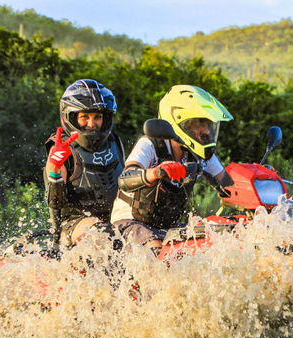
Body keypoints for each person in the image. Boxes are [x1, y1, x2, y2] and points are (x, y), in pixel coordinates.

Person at [110, 85, 234, 255]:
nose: (205, 130)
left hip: (168, 228)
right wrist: (156, 172)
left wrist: (256, 178)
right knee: (157, 252)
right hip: (130, 223)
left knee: (211, 242)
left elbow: (229, 186)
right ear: (178, 122)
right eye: (197, 123)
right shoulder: (151, 144)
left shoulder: (201, 153)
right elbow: (125, 179)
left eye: (208, 124)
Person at [44, 79, 125, 249]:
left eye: (97, 117)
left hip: (114, 220)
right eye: (84, 117)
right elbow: (55, 203)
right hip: (73, 224)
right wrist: (54, 167)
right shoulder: (60, 147)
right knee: (103, 233)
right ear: (71, 117)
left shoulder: (114, 142)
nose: (91, 124)